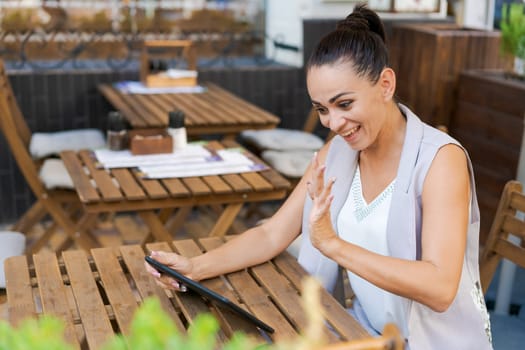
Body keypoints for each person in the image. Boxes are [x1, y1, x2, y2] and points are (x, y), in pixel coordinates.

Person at [145, 4, 493, 349]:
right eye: (322, 109)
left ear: (385, 84)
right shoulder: (338, 154)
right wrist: (195, 267)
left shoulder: (440, 160)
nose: (333, 123)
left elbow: (440, 288)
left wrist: (333, 245)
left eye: (344, 104)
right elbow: (271, 234)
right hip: (364, 330)